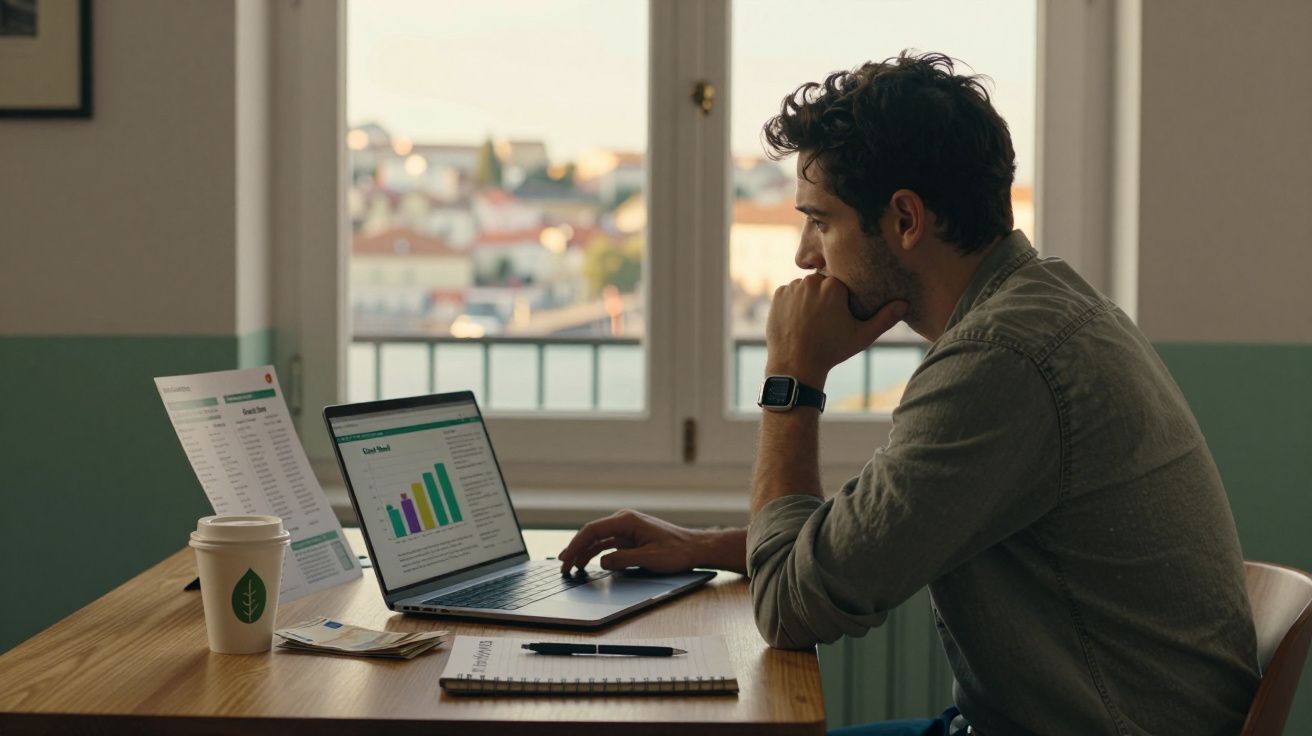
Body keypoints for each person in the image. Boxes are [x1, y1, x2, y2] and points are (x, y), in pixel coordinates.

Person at [556, 52, 1259, 735]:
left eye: (821, 220)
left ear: (905, 219)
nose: (806, 255)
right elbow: (873, 535)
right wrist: (706, 545)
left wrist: (792, 380)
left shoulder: (1001, 362)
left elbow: (790, 611)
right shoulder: (1042, 306)